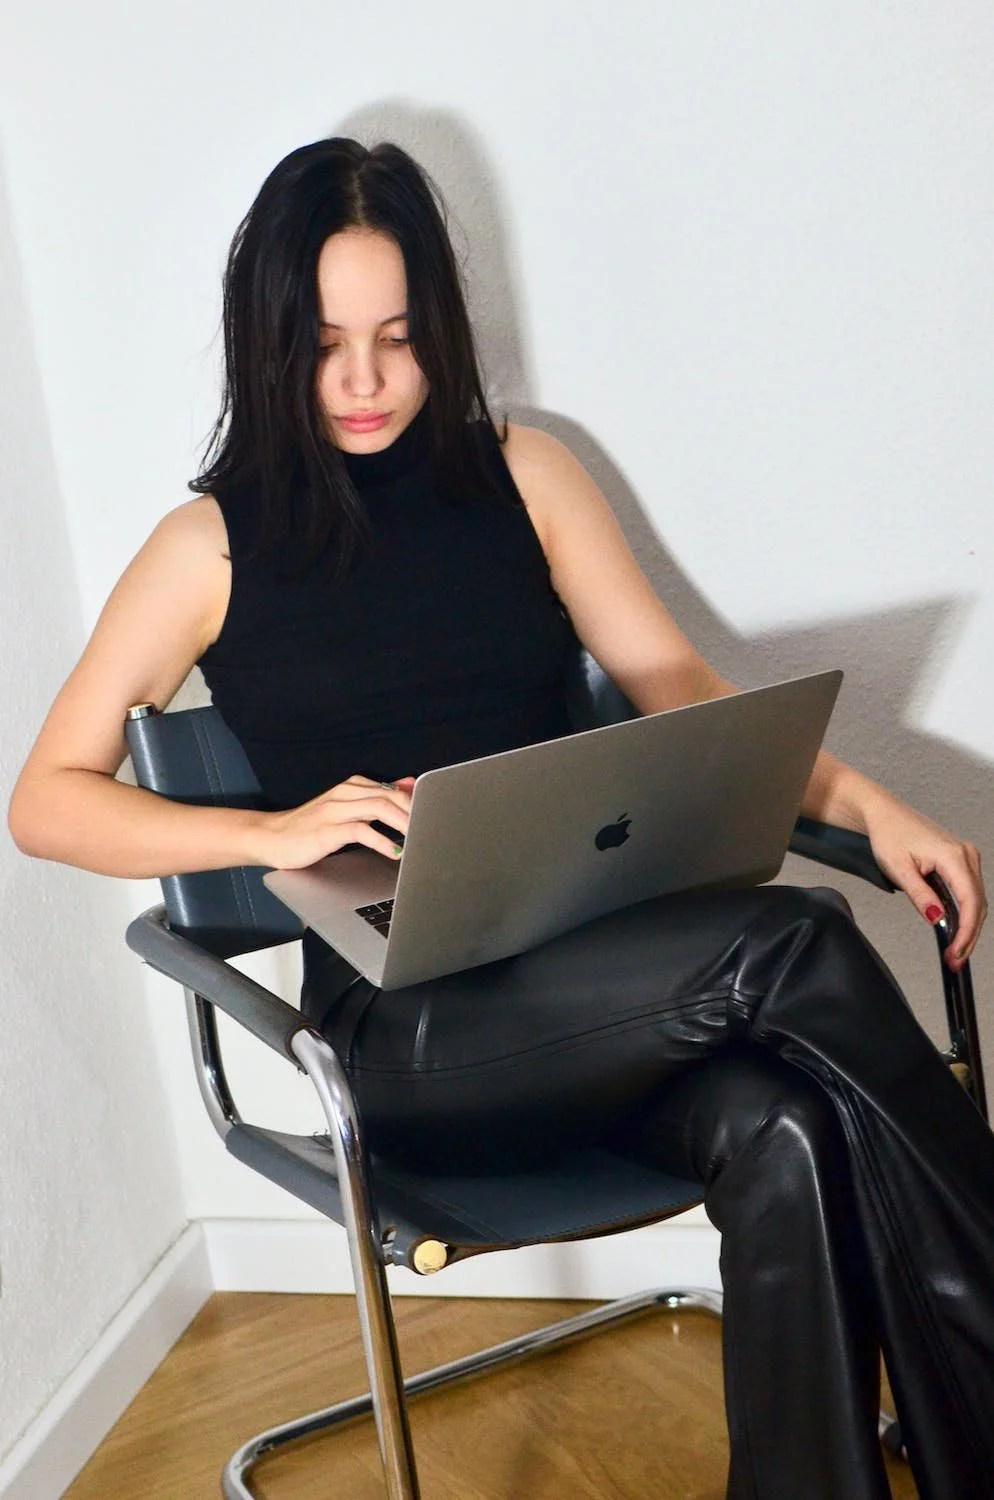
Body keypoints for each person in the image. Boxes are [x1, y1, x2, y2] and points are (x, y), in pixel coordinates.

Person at [7, 136, 994, 1500]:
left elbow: (681, 695)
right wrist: (267, 834)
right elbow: (44, 802)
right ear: (266, 341)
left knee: (786, 1129)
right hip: (409, 1041)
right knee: (794, 937)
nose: (364, 381)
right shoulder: (206, 550)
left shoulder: (525, 473)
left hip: (607, 998)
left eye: (399, 339)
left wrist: (875, 808)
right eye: (325, 346)